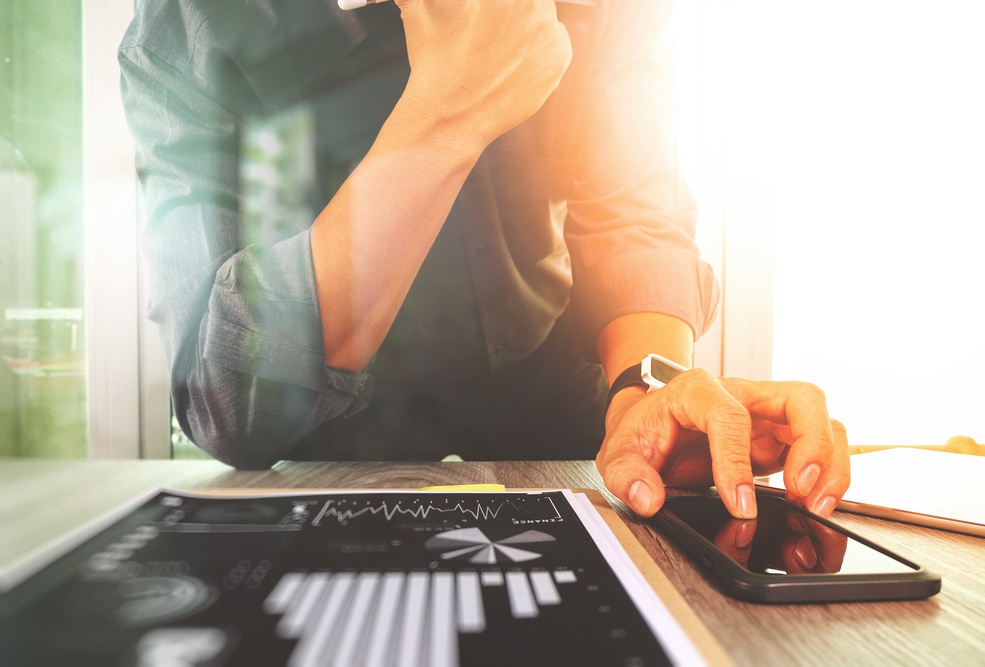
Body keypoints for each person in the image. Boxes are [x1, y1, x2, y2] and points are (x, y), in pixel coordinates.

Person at [119, 0, 849, 520]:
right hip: (320, 457)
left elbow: (632, 207)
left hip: (560, 415)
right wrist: (450, 111)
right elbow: (222, 391)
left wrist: (648, 383)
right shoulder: (183, 26)